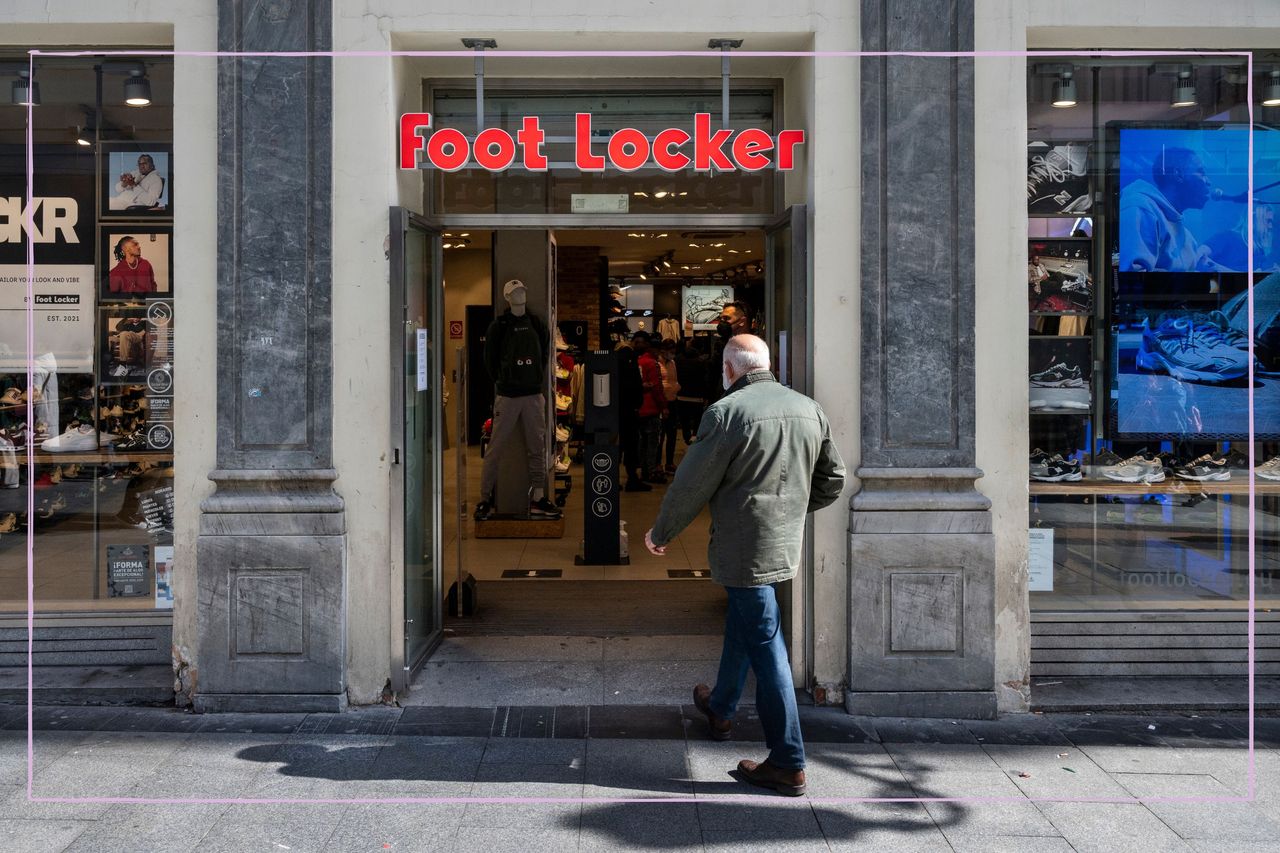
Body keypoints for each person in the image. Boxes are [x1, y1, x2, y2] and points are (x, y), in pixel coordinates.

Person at [644, 334, 846, 797]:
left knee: (767, 645)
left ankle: (787, 761)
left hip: (742, 547)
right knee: (745, 621)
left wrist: (661, 532)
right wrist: (791, 509)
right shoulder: (807, 408)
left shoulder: (725, 413)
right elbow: (832, 479)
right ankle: (721, 706)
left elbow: (691, 483)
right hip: (782, 543)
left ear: (730, 369)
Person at [475, 279, 561, 521]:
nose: (520, 295)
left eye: (523, 290)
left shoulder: (536, 323)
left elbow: (544, 354)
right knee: (495, 448)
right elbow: (489, 359)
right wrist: (504, 380)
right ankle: (484, 498)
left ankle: (539, 497)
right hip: (508, 396)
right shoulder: (499, 326)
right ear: (507, 297)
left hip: (533, 395)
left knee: (538, 448)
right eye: (515, 292)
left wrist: (532, 379)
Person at [1119, 147, 1223, 272]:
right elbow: (1135, 279)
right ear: (1179, 174)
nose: (1209, 182)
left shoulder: (1188, 239)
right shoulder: (1139, 208)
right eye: (1201, 172)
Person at [610, 319, 648, 492]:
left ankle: (619, 479)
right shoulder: (628, 354)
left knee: (622, 444)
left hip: (620, 407)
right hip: (627, 409)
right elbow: (631, 383)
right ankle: (631, 479)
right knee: (630, 444)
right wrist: (635, 404)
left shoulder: (619, 353)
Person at [632, 331, 666, 483]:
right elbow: (657, 387)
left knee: (641, 442)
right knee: (652, 443)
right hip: (651, 408)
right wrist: (664, 406)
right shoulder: (652, 364)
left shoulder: (637, 361)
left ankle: (641, 469)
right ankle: (650, 471)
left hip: (638, 408)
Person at [657, 339, 680, 473]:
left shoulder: (672, 363)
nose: (672, 354)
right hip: (661, 403)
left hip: (672, 401)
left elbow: (674, 380)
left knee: (672, 434)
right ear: (663, 350)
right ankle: (658, 462)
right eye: (671, 351)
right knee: (660, 435)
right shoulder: (657, 363)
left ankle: (669, 462)